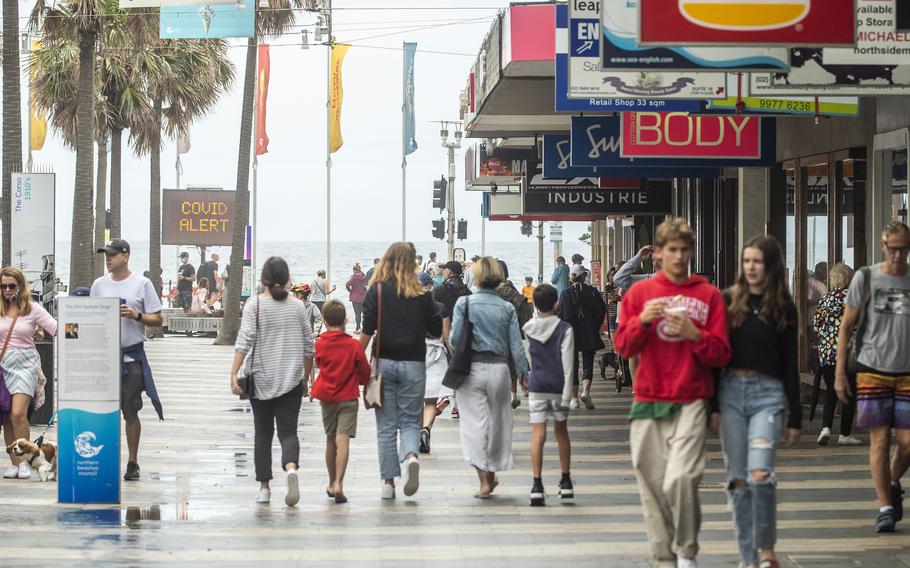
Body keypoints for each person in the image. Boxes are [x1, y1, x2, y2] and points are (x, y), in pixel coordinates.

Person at [614, 218, 731, 568]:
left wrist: (696, 335)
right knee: (650, 481)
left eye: (684, 250)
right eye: (672, 250)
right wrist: (642, 321)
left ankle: (686, 551)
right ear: (658, 254)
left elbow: (722, 352)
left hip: (691, 398)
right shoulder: (639, 294)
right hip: (649, 399)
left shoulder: (708, 294)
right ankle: (664, 556)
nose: (679, 256)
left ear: (691, 253)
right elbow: (622, 346)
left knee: (683, 476)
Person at [716, 235, 801, 568]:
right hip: (732, 394)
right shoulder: (727, 301)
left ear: (771, 265)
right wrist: (712, 406)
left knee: (760, 474)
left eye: (758, 261)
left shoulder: (783, 307)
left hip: (769, 396)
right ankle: (748, 558)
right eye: (747, 260)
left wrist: (795, 416)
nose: (751, 267)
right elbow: (716, 357)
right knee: (738, 480)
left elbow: (791, 363)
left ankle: (766, 550)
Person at [835, 221, 910, 533]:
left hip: (907, 371)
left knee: (907, 443)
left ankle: (892, 481)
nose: (897, 255)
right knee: (879, 441)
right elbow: (846, 326)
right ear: (883, 246)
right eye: (892, 248)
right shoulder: (865, 278)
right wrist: (840, 372)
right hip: (872, 370)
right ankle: (884, 507)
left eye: (903, 249)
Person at [359, 243, 442, 500]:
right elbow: (436, 330)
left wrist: (354, 357)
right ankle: (410, 456)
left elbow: (367, 329)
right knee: (409, 421)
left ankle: (388, 483)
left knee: (385, 426)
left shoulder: (377, 291)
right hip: (415, 364)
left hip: (384, 364)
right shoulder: (422, 293)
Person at [230, 256, 314, 506]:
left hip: (260, 380)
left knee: (262, 435)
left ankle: (264, 488)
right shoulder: (298, 307)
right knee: (289, 433)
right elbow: (310, 348)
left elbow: (244, 341)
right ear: (287, 279)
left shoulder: (253, 305)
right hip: (291, 381)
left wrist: (233, 373)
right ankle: (290, 469)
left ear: (263, 279)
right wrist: (305, 379)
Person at [450, 257, 530, 498]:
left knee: (473, 424)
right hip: (499, 369)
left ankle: (484, 480)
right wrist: (524, 373)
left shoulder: (464, 304)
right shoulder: (506, 308)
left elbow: (454, 340)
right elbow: (516, 345)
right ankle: (492, 475)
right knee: (498, 422)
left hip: (471, 369)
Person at [91, 239, 164, 482]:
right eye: (105, 254)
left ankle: (133, 461)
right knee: (102, 412)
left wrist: (137, 315)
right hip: (104, 357)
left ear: (126, 256)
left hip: (131, 357)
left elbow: (158, 319)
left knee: (130, 410)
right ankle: (102, 460)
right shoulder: (98, 285)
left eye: (112, 254)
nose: (107, 258)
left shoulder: (142, 284)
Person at [0, 267, 58, 480]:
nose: (7, 290)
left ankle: (24, 461)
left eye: (11, 286)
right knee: (7, 417)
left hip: (25, 364)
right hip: (2, 365)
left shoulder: (33, 309)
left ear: (21, 286)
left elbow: (56, 328)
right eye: (3, 286)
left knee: (18, 414)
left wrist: (87, 327)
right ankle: (14, 464)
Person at [311, 300, 370, 504]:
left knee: (330, 438)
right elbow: (365, 372)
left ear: (325, 321)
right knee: (343, 439)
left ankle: (330, 481)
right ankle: (339, 484)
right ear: (345, 320)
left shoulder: (319, 344)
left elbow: (318, 363)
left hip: (327, 397)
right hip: (348, 397)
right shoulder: (353, 345)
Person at [523, 284, 574, 507]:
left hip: (537, 386)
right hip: (557, 387)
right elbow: (568, 364)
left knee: (538, 434)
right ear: (557, 303)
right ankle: (565, 481)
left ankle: (537, 485)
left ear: (533, 303)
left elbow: (529, 360)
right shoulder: (565, 329)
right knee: (561, 432)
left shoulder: (527, 328)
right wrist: (566, 396)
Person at [814, 263, 860, 446]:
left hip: (826, 353)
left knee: (831, 391)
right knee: (849, 393)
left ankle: (825, 428)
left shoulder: (825, 299)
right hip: (847, 352)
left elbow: (817, 325)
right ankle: (845, 434)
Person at [557, 265, 607, 410]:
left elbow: (560, 316)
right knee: (588, 362)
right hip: (589, 331)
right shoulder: (592, 292)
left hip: (570, 333)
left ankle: (574, 399)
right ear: (584, 276)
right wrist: (594, 326)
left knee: (572, 365)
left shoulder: (565, 293)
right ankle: (585, 392)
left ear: (571, 277)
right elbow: (601, 311)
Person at [418, 272, 451, 454]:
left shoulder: (409, 308)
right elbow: (447, 337)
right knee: (431, 400)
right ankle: (425, 429)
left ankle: (418, 432)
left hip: (415, 354)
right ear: (431, 287)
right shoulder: (441, 308)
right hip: (437, 354)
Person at [495, 260, 534, 409]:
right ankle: (513, 395)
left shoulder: (490, 295)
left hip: (494, 338)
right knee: (512, 367)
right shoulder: (517, 295)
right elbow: (527, 321)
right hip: (513, 336)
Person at [346, 263, 367, 334]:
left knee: (357, 314)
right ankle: (365, 328)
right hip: (363, 297)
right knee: (364, 314)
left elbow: (347, 284)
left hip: (355, 298)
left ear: (354, 270)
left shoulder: (354, 277)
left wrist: (350, 291)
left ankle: (358, 328)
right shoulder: (364, 276)